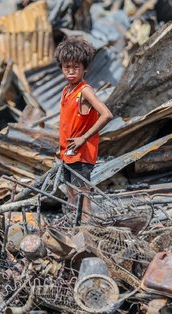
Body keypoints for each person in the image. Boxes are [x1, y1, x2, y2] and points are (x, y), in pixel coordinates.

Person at [56, 37, 113, 219]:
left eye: (76, 67)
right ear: (62, 68)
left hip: (82, 153)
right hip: (69, 152)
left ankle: (87, 227)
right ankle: (75, 227)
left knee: (83, 194)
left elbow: (106, 114)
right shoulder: (67, 90)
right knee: (71, 194)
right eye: (67, 68)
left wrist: (84, 138)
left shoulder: (84, 90)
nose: (71, 72)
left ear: (85, 68)